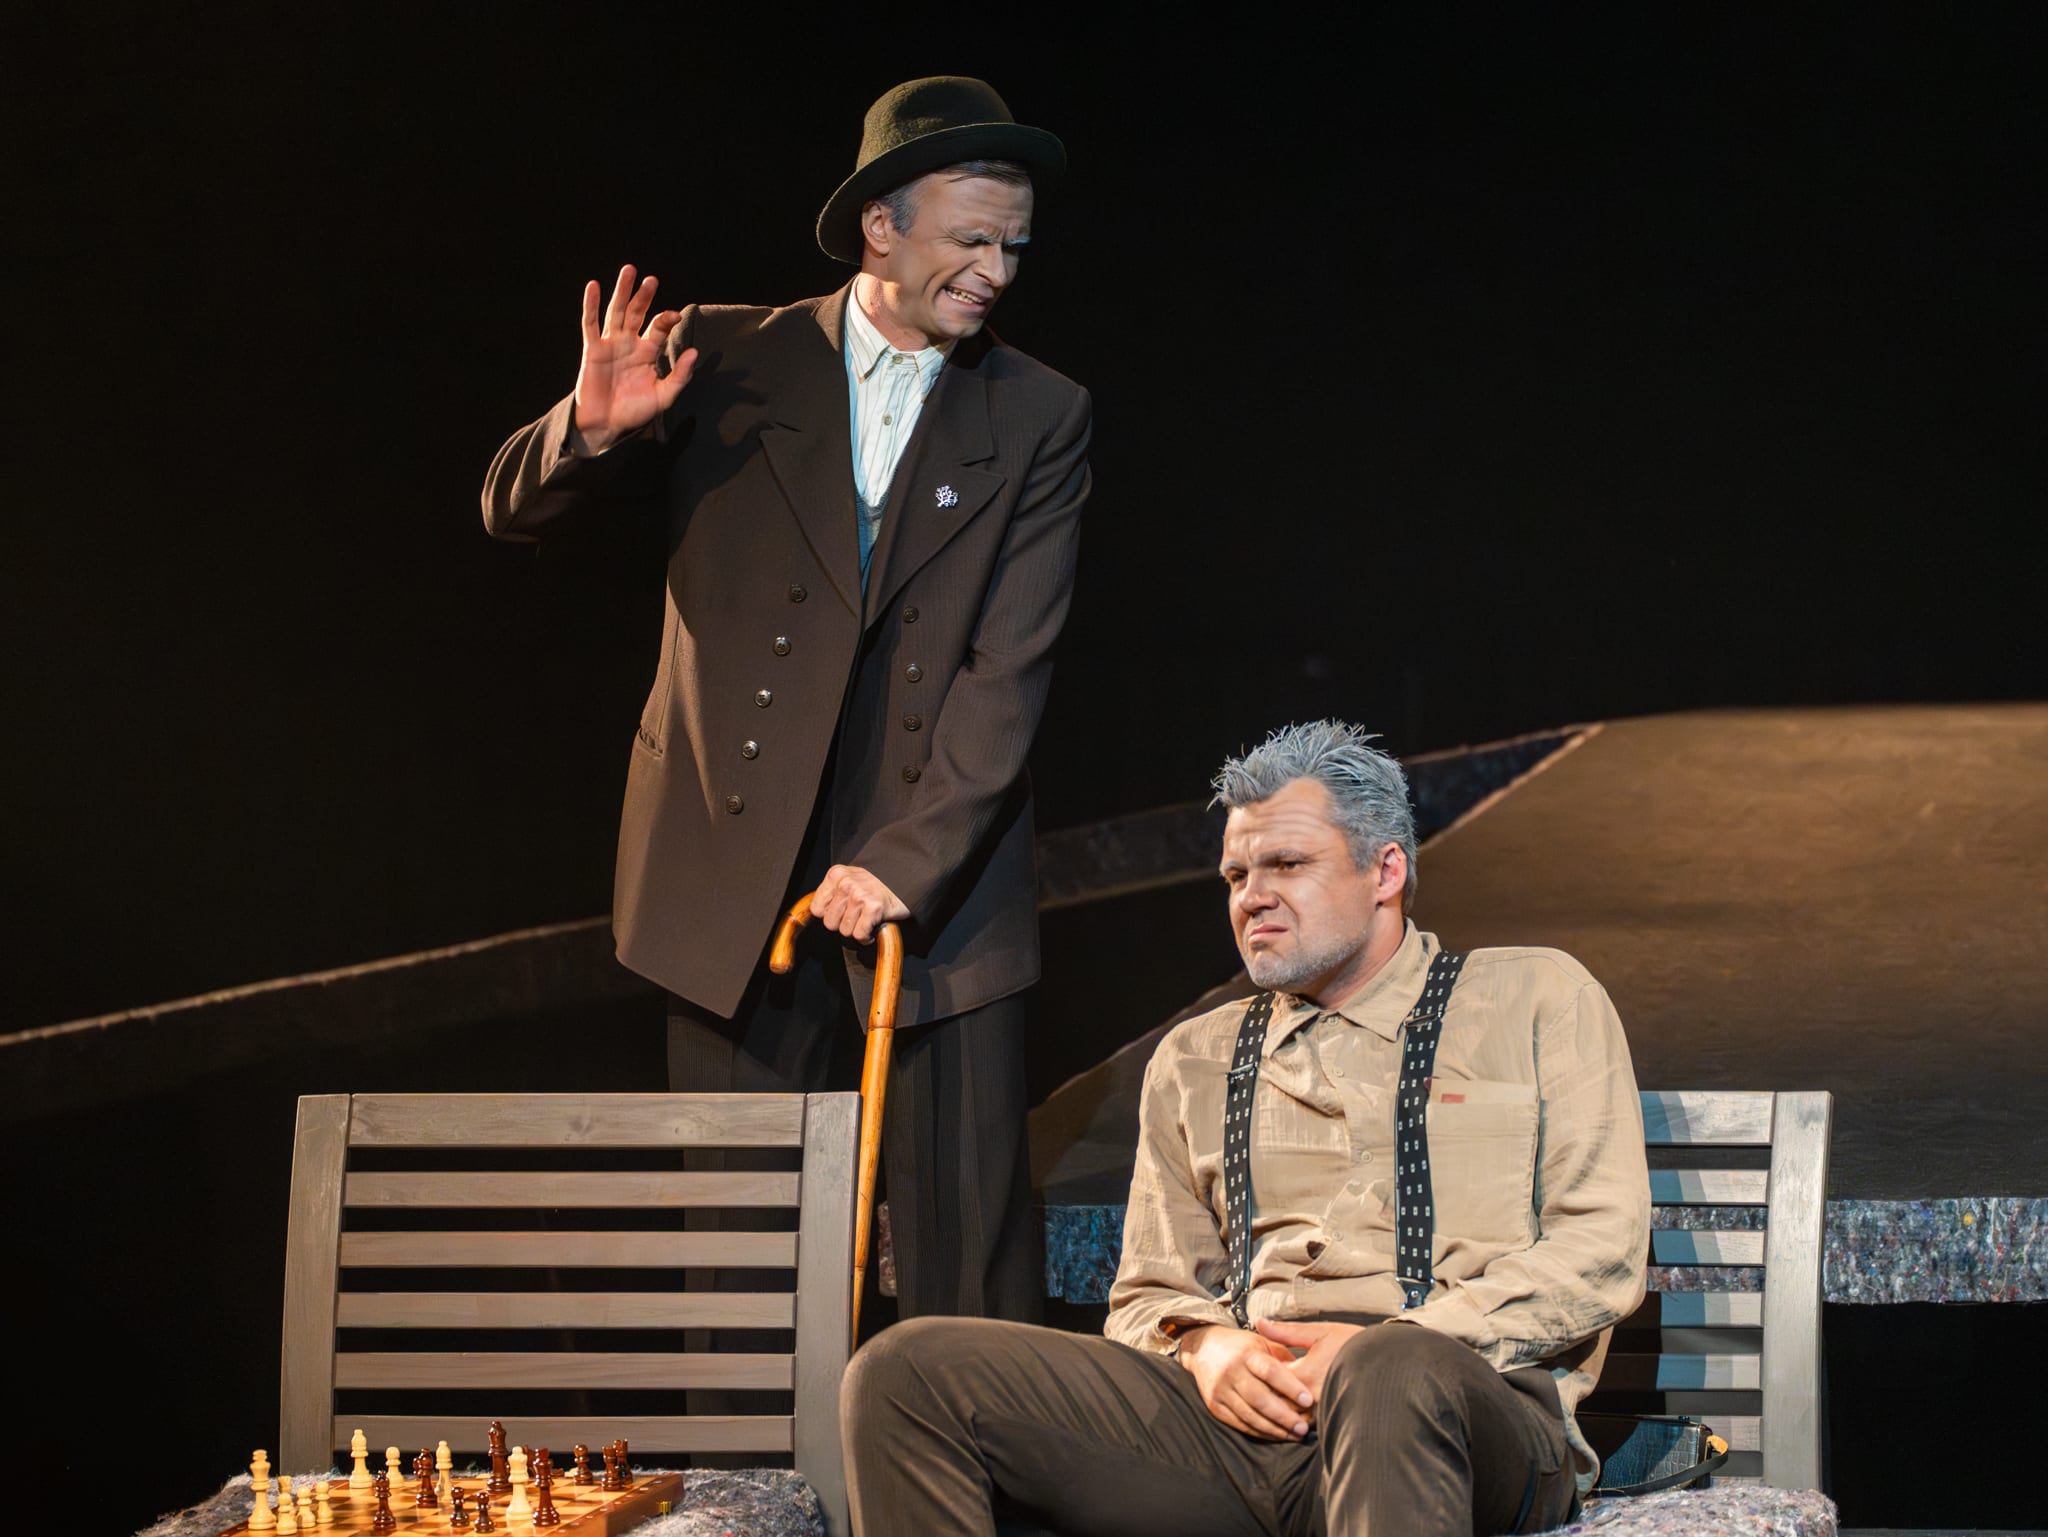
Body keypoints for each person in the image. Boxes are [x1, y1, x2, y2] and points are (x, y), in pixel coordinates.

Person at [480, 77, 1089, 1323]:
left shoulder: (1038, 412)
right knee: (741, 1275)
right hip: (726, 882)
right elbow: (510, 509)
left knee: (961, 1277)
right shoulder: (728, 355)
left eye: (1013, 248)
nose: (995, 272)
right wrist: (588, 431)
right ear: (881, 226)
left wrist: (904, 863)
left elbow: (1005, 672)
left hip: (936, 891)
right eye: (971, 240)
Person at [840, 720, 1651, 1535]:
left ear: (1385, 871)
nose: (1251, 895)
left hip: (1468, 1414)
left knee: (1389, 1369)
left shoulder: (1534, 999)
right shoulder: (1198, 1057)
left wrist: (1400, 1339)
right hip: (1251, 1431)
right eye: (1236, 873)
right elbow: (1149, 1294)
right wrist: (1206, 1347)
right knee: (904, 1373)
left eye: (1287, 864)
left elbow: (1601, 1250)